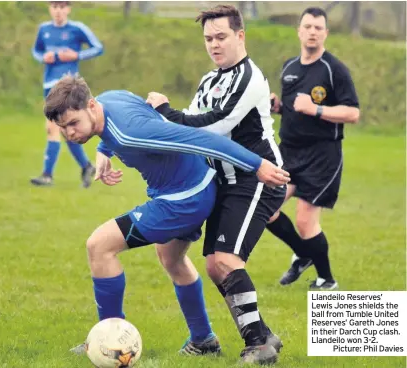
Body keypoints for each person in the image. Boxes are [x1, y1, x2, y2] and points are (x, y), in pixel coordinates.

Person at [43, 75, 290, 357]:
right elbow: (132, 113)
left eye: (74, 124)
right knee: (171, 258)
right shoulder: (111, 98)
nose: (70, 134)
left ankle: (108, 341)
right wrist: (103, 150)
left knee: (99, 246)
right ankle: (204, 340)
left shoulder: (131, 132)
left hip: (183, 199)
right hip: (190, 187)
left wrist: (256, 164)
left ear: (90, 105)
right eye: (63, 128)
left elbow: (200, 139)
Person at [146, 5, 286, 365]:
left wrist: (165, 112)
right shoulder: (210, 80)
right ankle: (263, 336)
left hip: (256, 177)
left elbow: (215, 126)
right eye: (208, 38)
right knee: (213, 264)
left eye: (221, 36)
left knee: (224, 260)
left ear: (241, 36)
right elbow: (190, 123)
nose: (213, 44)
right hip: (221, 180)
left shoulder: (249, 77)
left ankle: (258, 345)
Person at [267, 7, 360, 290]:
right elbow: (295, 110)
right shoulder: (289, 67)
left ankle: (326, 280)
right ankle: (303, 253)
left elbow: (352, 113)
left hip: (322, 156)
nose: (312, 32)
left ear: (325, 34)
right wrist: (279, 108)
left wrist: (316, 109)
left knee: (306, 221)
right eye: (307, 26)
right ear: (299, 31)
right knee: (265, 207)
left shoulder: (334, 70)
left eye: (318, 28)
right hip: (289, 152)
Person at [31, 1, 103, 187]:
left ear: (68, 9)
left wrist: (77, 55)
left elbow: (98, 47)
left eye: (62, 7)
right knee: (65, 130)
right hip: (49, 85)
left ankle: (47, 175)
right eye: (55, 7)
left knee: (52, 128)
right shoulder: (44, 29)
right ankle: (86, 166)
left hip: (67, 87)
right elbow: (36, 50)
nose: (58, 11)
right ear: (50, 8)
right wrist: (42, 58)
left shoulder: (77, 28)